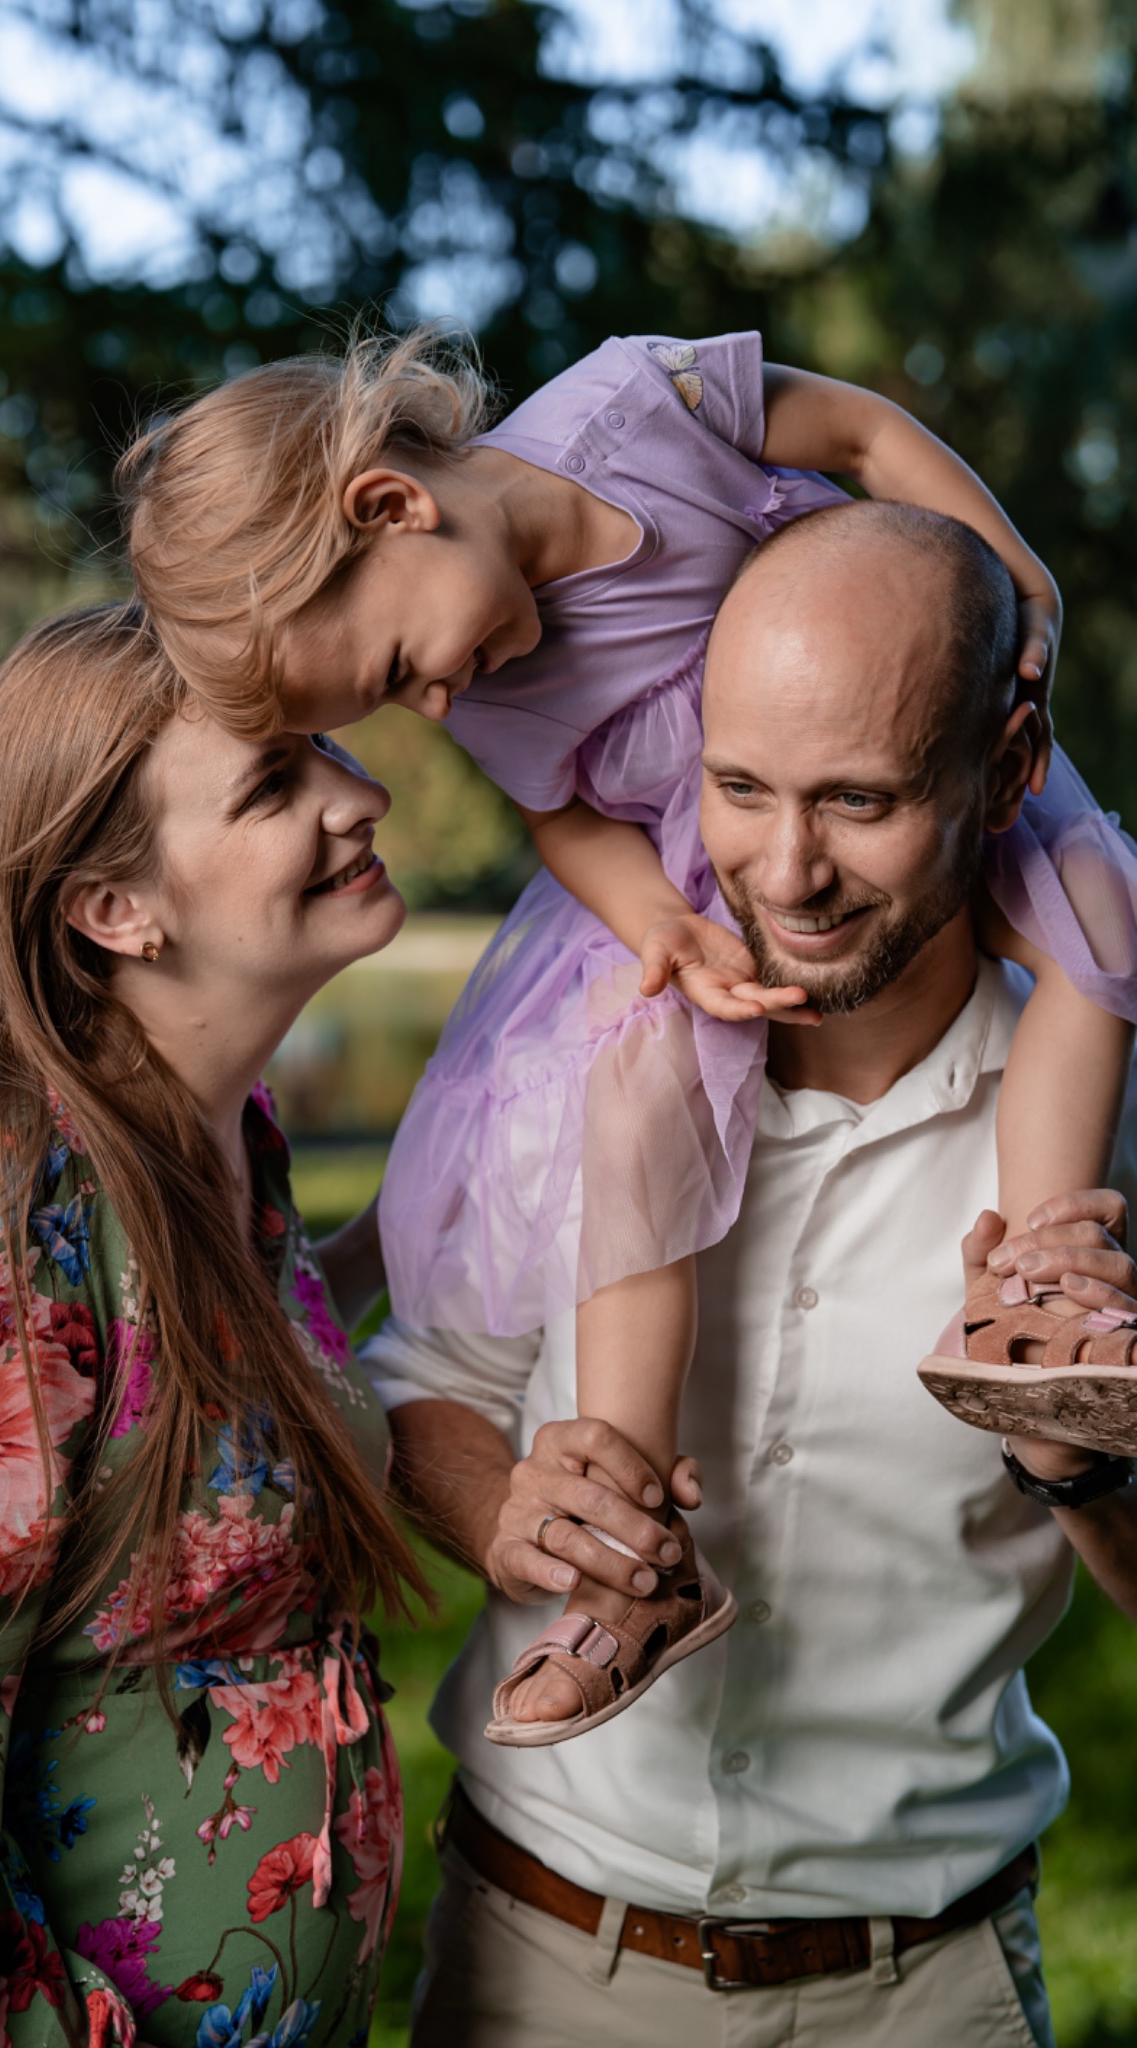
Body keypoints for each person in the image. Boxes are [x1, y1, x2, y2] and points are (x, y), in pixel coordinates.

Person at [117, 326, 1137, 1744]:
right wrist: (659, 924)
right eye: (396, 697)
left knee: (1102, 923)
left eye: (403, 662)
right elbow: (565, 816)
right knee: (635, 1089)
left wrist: (1010, 571)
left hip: (910, 680)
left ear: (391, 506)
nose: (431, 704)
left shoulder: (631, 409)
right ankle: (634, 1530)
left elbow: (850, 437)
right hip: (671, 882)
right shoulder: (495, 688)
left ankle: (1044, 1284)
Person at [359, 500, 1137, 2048]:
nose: (787, 868)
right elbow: (421, 1388)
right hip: (534, 1963)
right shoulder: (586, 1033)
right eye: (738, 788)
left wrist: (1081, 1474)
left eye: (859, 800)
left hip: (927, 1993)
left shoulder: (1108, 1109)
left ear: (1010, 766)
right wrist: (504, 1515)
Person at [0, 603, 419, 2048]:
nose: (357, 790)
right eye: (271, 782)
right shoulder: (1, 1198)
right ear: (114, 909)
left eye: (321, 746)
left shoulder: (218, 1143)